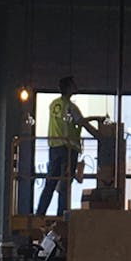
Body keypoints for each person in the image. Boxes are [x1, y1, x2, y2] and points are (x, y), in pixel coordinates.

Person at [34, 75, 102, 216]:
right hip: (68, 149)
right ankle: (61, 215)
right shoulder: (71, 107)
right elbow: (82, 122)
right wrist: (100, 136)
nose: (76, 86)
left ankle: (40, 213)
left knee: (50, 183)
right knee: (65, 185)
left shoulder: (54, 104)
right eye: (73, 84)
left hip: (54, 147)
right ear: (69, 87)